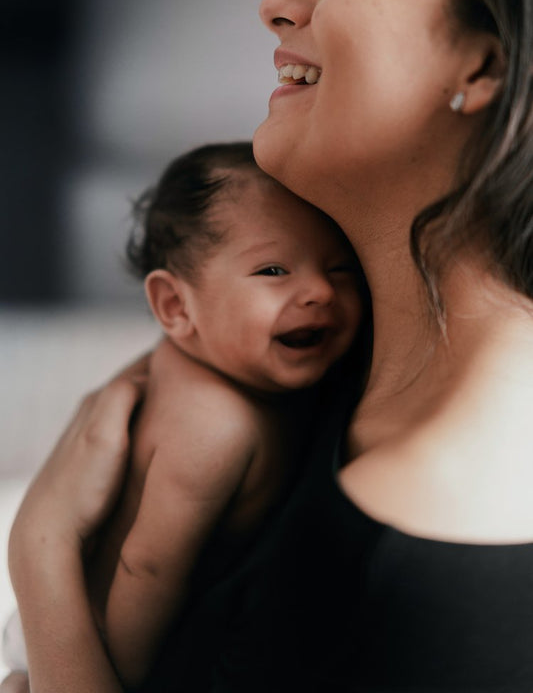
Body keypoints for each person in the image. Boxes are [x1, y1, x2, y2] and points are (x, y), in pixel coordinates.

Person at [3, 0, 533, 690]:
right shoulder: (332, 355)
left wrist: (41, 555)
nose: (276, 2)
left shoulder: (427, 548)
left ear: (484, 62)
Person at [1, 142, 364, 689]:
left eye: (339, 268)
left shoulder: (210, 363)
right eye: (273, 270)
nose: (318, 291)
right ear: (175, 307)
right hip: (94, 626)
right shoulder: (216, 424)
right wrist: (119, 678)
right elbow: (147, 567)